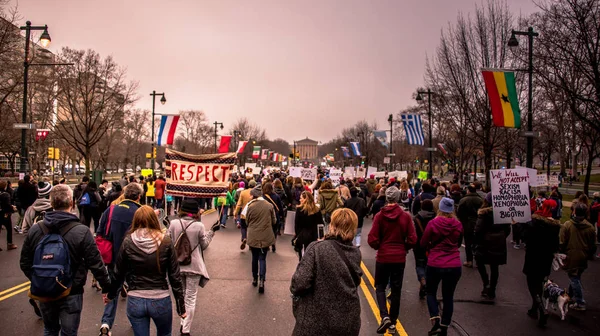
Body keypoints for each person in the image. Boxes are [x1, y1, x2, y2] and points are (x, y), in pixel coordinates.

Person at [20, 184, 111, 335]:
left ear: (52, 203)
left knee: (49, 329)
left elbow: (24, 262)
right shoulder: (81, 231)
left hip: (44, 290)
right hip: (71, 290)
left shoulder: (36, 229)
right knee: (69, 332)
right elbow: (95, 263)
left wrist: (41, 279)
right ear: (72, 203)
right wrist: (107, 287)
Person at [107, 205, 185, 336]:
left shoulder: (128, 241)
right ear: (154, 220)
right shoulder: (165, 241)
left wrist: (110, 295)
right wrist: (181, 306)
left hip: (135, 298)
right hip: (160, 298)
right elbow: (175, 277)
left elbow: (118, 273)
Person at [290, 208, 362, 336]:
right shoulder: (355, 253)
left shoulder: (317, 248)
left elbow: (299, 283)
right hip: (348, 321)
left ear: (332, 225)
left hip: (316, 321)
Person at [367, 186, 417, 334]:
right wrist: (404, 247)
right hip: (399, 257)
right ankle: (393, 321)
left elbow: (372, 239)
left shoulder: (380, 216)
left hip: (383, 256)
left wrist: (379, 246)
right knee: (396, 290)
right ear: (398, 198)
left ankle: (384, 315)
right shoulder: (405, 216)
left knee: (380, 286)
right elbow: (413, 238)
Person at [97, 183, 143, 335]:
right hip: (133, 259)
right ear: (138, 196)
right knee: (134, 291)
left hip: (113, 257)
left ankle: (106, 322)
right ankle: (135, 320)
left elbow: (100, 232)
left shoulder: (110, 210)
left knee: (113, 291)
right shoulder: (140, 213)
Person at [168, 199, 214, 336]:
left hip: (176, 266)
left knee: (180, 296)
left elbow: (168, 243)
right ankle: (185, 329)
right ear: (195, 211)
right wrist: (211, 233)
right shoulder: (199, 226)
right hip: (194, 266)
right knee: (190, 298)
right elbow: (204, 245)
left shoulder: (173, 224)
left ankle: (183, 323)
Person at [421, 197, 463, 336]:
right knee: (448, 296)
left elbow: (424, 242)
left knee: (431, 292)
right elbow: (458, 243)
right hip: (454, 263)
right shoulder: (458, 225)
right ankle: (444, 325)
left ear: (440, 208)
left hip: (435, 262)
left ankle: (436, 319)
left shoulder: (433, 223)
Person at [521, 199, 561, 327]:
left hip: (533, 257)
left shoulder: (534, 223)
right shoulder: (555, 226)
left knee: (532, 284)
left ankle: (541, 308)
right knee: (539, 282)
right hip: (545, 259)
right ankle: (534, 309)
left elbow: (524, 236)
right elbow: (556, 245)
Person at [559, 203, 597, 311]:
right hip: (583, 256)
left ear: (574, 212)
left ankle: (580, 302)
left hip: (571, 255)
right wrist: (589, 254)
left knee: (574, 278)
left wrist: (561, 253)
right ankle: (570, 296)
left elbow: (562, 242)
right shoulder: (590, 227)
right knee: (576, 276)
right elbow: (593, 245)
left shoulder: (567, 225)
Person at [473, 193, 511, 300]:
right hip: (498, 243)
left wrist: (478, 240)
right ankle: (492, 289)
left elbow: (478, 229)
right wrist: (501, 237)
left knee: (480, 262)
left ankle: (486, 283)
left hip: (484, 243)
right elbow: (507, 229)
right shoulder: (503, 213)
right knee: (495, 267)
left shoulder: (484, 214)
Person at [245, 185, 276, 293]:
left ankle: (255, 278)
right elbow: (274, 221)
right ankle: (262, 280)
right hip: (265, 236)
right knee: (262, 258)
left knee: (254, 257)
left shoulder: (250, 206)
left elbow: (247, 221)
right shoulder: (269, 205)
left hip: (253, 236)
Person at [456, 184, 483, 268]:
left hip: (467, 223)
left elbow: (459, 212)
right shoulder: (480, 200)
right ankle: (479, 260)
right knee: (478, 242)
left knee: (468, 242)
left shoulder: (464, 200)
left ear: (468, 190)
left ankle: (469, 260)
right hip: (479, 223)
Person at [413, 199, 435, 299]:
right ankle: (426, 284)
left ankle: (422, 280)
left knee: (419, 264)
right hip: (432, 244)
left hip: (419, 245)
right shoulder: (435, 217)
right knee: (429, 264)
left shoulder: (417, 217)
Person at [294, 191, 323, 261]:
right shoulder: (317, 210)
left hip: (302, 235)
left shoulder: (299, 210)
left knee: (302, 256)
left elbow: (297, 224)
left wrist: (297, 235)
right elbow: (320, 224)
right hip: (314, 236)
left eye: (301, 198)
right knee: (312, 255)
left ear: (305, 199)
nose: (300, 200)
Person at [262, 182, 284, 252]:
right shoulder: (276, 196)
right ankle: (273, 243)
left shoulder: (263, 196)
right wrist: (282, 215)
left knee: (266, 230)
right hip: (275, 215)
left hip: (265, 215)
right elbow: (280, 207)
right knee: (274, 230)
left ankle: (267, 245)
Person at [234, 179, 256, 250]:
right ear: (255, 185)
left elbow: (239, 204)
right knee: (251, 228)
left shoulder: (243, 193)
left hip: (244, 213)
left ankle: (244, 238)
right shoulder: (256, 193)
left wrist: (235, 213)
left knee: (243, 227)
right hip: (253, 213)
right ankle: (251, 243)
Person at [0, 180, 17, 250]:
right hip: (5, 213)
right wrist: (12, 207)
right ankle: (9, 244)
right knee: (9, 229)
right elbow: (7, 204)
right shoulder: (6, 194)